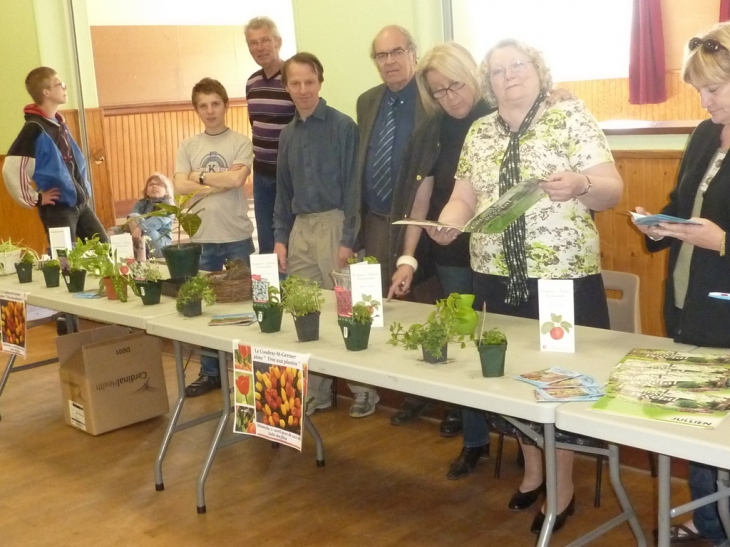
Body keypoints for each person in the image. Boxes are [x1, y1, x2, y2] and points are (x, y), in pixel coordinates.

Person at [430, 38, 623, 534]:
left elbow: (611, 187)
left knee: (556, 382)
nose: (509, 76)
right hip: (495, 277)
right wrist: (448, 223)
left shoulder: (570, 117)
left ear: (537, 70)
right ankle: (532, 474)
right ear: (488, 84)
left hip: (560, 281)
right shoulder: (479, 131)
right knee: (513, 378)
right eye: (497, 71)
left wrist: (581, 184)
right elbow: (463, 195)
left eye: (518, 66)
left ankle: (563, 490)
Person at [632, 24, 730, 547]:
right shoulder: (701, 135)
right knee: (692, 419)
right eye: (699, 89)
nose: (705, 100)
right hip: (688, 301)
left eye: (714, 89)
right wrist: (658, 224)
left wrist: (724, 242)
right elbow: (682, 200)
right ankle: (705, 521)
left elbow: (716, 231)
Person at [386, 42, 496, 458]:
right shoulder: (433, 129)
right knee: (462, 341)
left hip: (497, 256)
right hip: (451, 255)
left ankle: (519, 438)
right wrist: (407, 259)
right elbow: (421, 198)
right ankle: (474, 439)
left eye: (455, 86)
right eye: (438, 92)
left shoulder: (496, 118)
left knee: (502, 340)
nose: (450, 98)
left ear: (471, 75)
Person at [348, 24, 431, 421]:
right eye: (382, 56)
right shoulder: (367, 102)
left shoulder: (432, 98)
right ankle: (401, 387)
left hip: (422, 221)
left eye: (397, 52)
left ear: (414, 53)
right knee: (386, 307)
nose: (390, 61)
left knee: (423, 305)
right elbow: (359, 167)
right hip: (377, 221)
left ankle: (430, 395)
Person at [274, 52, 359, 414]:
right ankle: (319, 390)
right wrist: (280, 237)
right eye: (295, 83)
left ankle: (363, 388)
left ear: (320, 82)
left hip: (334, 224)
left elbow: (355, 186)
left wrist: (348, 240)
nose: (303, 89)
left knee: (346, 308)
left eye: (309, 81)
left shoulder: (342, 127)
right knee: (305, 310)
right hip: (301, 230)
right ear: (287, 88)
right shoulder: (287, 135)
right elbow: (282, 189)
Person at [175, 77, 255, 397]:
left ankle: (247, 371)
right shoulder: (188, 146)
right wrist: (214, 183)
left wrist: (200, 176)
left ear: (226, 105)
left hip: (236, 234)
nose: (210, 111)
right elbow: (179, 186)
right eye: (203, 106)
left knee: (246, 303)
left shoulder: (240, 142)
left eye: (215, 104)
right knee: (207, 307)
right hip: (203, 238)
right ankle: (210, 372)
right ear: (196, 109)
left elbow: (236, 178)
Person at [3, 66, 108, 245]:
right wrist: (35, 198)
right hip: (58, 208)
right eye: (59, 84)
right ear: (46, 92)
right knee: (65, 257)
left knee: (104, 246)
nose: (64, 88)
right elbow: (12, 167)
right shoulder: (35, 128)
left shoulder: (57, 123)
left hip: (79, 203)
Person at [244, 16, 296, 254]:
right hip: (262, 176)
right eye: (253, 43)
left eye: (265, 40)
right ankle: (271, 290)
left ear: (278, 42)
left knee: (290, 239)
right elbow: (256, 125)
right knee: (266, 240)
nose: (260, 47)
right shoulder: (252, 83)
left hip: (290, 176)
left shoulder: (293, 79)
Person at [111, 172, 174, 260]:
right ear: (146, 191)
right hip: (139, 237)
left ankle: (141, 257)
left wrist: (140, 228)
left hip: (159, 244)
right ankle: (118, 260)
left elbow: (157, 221)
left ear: (166, 191)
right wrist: (125, 232)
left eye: (159, 185)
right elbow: (131, 221)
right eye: (151, 184)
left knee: (135, 216)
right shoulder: (141, 203)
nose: (154, 186)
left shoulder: (169, 206)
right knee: (113, 231)